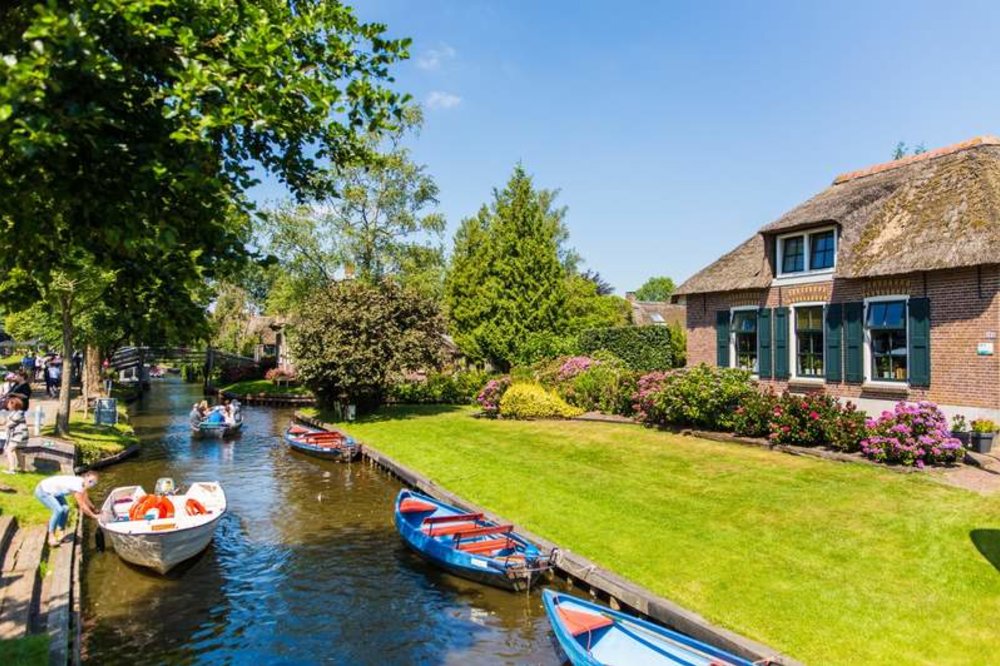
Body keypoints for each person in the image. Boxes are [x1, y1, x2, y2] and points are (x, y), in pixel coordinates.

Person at [34, 471, 100, 547]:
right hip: (43, 491)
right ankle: (51, 537)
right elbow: (82, 505)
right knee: (58, 510)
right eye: (90, 481)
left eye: (94, 483)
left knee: (66, 509)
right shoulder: (77, 486)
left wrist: (94, 508)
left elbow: (86, 498)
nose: (91, 484)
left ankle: (60, 534)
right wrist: (93, 516)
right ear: (86, 477)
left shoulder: (83, 484)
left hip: (55, 492)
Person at [3, 396, 28, 474]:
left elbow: (9, 424)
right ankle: (22, 469)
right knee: (18, 451)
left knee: (9, 450)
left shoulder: (18, 414)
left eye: (9, 404)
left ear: (13, 404)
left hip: (18, 435)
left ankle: (12, 469)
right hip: (21, 435)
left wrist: (6, 423)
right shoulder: (17, 413)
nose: (7, 405)